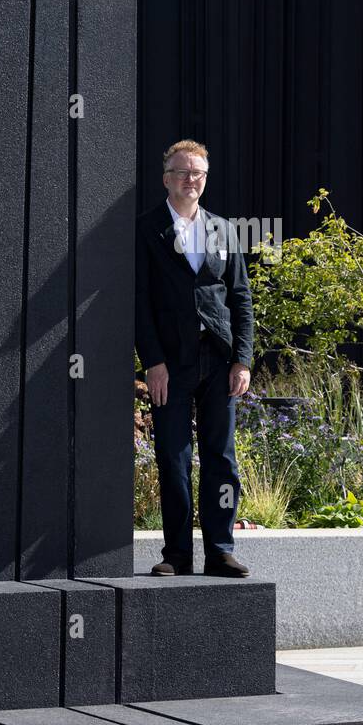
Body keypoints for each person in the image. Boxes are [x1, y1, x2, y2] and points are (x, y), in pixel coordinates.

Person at [135, 139, 253, 576]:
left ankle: (220, 549)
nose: (192, 179)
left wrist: (242, 358)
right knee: (174, 457)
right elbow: (140, 304)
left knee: (222, 458)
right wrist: (153, 361)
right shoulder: (146, 229)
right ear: (167, 179)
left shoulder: (224, 229)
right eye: (183, 172)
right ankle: (177, 555)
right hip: (171, 363)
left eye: (199, 173)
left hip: (219, 361)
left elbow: (240, 298)